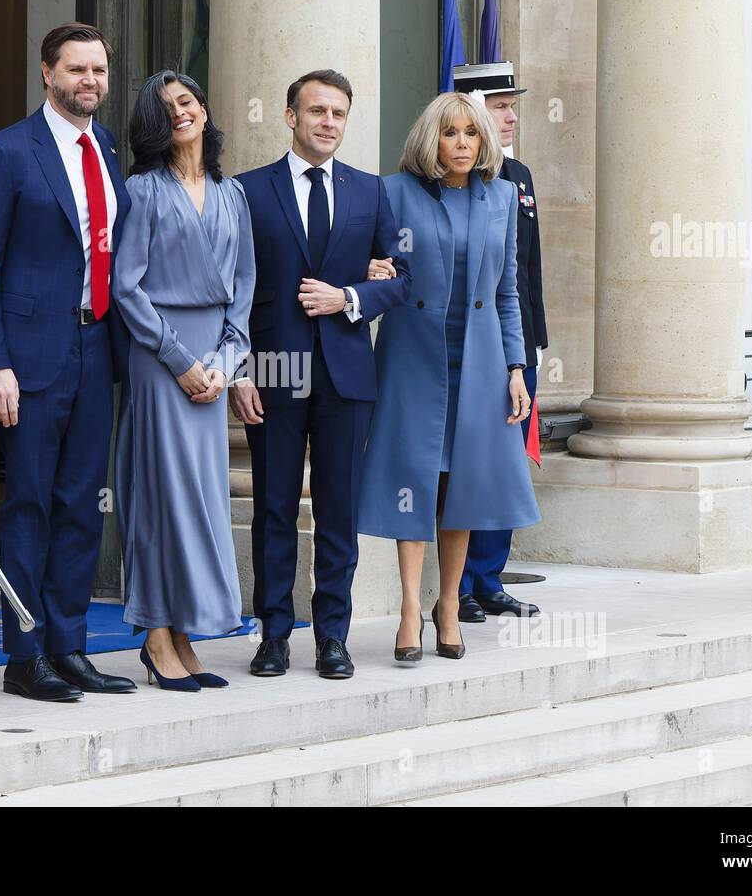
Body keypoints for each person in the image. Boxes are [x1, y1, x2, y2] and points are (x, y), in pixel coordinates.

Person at [0, 22, 136, 700]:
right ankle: (23, 654)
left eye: (98, 70)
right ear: (47, 73)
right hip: (29, 360)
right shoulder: (7, 152)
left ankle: (70, 647)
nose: (89, 81)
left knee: (81, 507)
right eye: (76, 70)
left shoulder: (108, 150)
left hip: (97, 348)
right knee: (29, 505)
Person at [233, 70, 410, 680]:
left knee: (337, 510)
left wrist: (350, 298)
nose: (328, 122)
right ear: (290, 116)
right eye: (317, 111)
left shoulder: (370, 193)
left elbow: (403, 279)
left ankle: (332, 636)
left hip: (345, 375)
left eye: (338, 113)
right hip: (274, 368)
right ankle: (273, 635)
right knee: (274, 509)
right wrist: (238, 371)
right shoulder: (247, 192)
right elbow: (233, 289)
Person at [359, 91, 537, 662]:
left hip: (482, 363)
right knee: (417, 476)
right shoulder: (394, 192)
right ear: (430, 140)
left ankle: (450, 604)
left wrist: (516, 366)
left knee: (464, 485)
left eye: (472, 133)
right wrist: (371, 270)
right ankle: (412, 608)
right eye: (450, 133)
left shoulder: (503, 197)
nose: (462, 143)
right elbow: (373, 270)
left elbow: (507, 291)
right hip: (413, 356)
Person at [114, 70, 255, 691]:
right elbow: (126, 286)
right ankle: (155, 634)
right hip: (160, 357)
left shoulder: (233, 195)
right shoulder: (141, 191)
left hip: (214, 365)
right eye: (166, 107)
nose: (180, 113)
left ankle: (184, 632)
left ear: (204, 109)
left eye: (188, 101)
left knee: (202, 502)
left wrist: (226, 362)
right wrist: (182, 361)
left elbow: (245, 289)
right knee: (160, 496)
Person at [456, 61, 545, 622]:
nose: (510, 116)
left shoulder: (518, 175)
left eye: (513, 105)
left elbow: (525, 268)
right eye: (499, 105)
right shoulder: (454, 179)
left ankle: (489, 576)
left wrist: (534, 342)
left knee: (506, 461)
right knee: (466, 462)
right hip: (470, 343)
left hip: (515, 339)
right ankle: (457, 582)